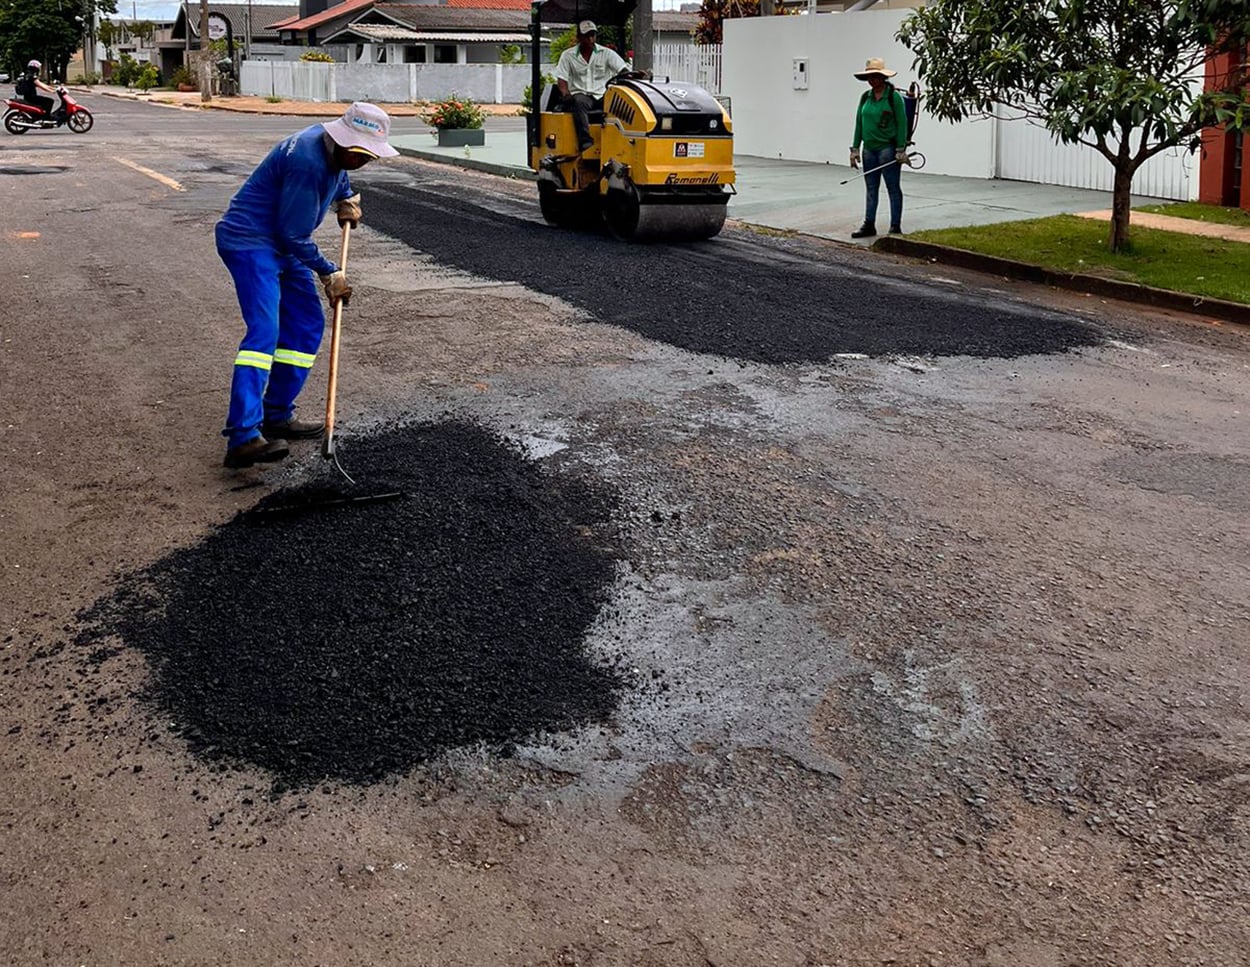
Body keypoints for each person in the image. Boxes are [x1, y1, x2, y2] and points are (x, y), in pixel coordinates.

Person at [215, 102, 398, 469]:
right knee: (264, 333)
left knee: (304, 327)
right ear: (340, 139)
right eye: (359, 154)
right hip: (251, 241)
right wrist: (329, 272)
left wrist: (345, 198)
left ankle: (277, 413)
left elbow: (338, 176)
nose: (363, 161)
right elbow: (293, 233)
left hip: (283, 242)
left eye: (369, 157)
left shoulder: (332, 151)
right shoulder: (307, 162)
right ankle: (243, 437)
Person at [848, 57, 909, 239]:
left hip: (887, 149)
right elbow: (859, 122)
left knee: (892, 187)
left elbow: (902, 123)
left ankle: (895, 225)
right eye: (870, 77)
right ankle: (869, 224)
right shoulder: (865, 97)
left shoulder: (893, 97)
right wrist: (855, 148)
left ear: (883, 77)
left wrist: (900, 149)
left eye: (876, 76)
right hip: (869, 149)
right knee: (871, 188)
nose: (872, 80)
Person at [554, 20, 628, 153]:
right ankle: (586, 141)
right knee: (579, 102)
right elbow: (562, 79)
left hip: (601, 94)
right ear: (579, 37)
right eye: (587, 35)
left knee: (619, 103)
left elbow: (622, 69)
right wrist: (565, 94)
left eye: (593, 35)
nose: (590, 39)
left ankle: (620, 140)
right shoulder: (568, 56)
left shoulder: (607, 54)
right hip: (581, 94)